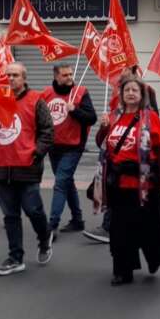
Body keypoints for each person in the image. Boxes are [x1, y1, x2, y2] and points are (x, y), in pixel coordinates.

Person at [95, 76, 160, 285]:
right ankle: (123, 270)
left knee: (148, 226)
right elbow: (102, 144)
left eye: (135, 90)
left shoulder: (150, 118)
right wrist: (103, 128)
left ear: (142, 95)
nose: (131, 93)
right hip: (118, 184)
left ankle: (154, 257)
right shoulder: (114, 116)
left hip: (144, 185)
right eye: (127, 90)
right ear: (121, 95)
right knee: (119, 229)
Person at [0, 63, 54, 276]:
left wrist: (37, 153)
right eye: (8, 75)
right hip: (3, 166)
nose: (11, 79)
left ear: (24, 78)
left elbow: (48, 130)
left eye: (15, 75)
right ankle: (15, 257)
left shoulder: (36, 100)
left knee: (32, 209)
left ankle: (44, 237)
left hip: (27, 165)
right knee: (10, 215)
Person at [42, 63, 97, 234]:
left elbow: (91, 118)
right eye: (65, 75)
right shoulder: (46, 94)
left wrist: (74, 111)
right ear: (56, 77)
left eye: (70, 74)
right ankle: (77, 220)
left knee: (60, 183)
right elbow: (39, 119)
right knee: (67, 182)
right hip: (53, 146)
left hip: (73, 146)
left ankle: (52, 225)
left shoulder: (81, 92)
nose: (69, 78)